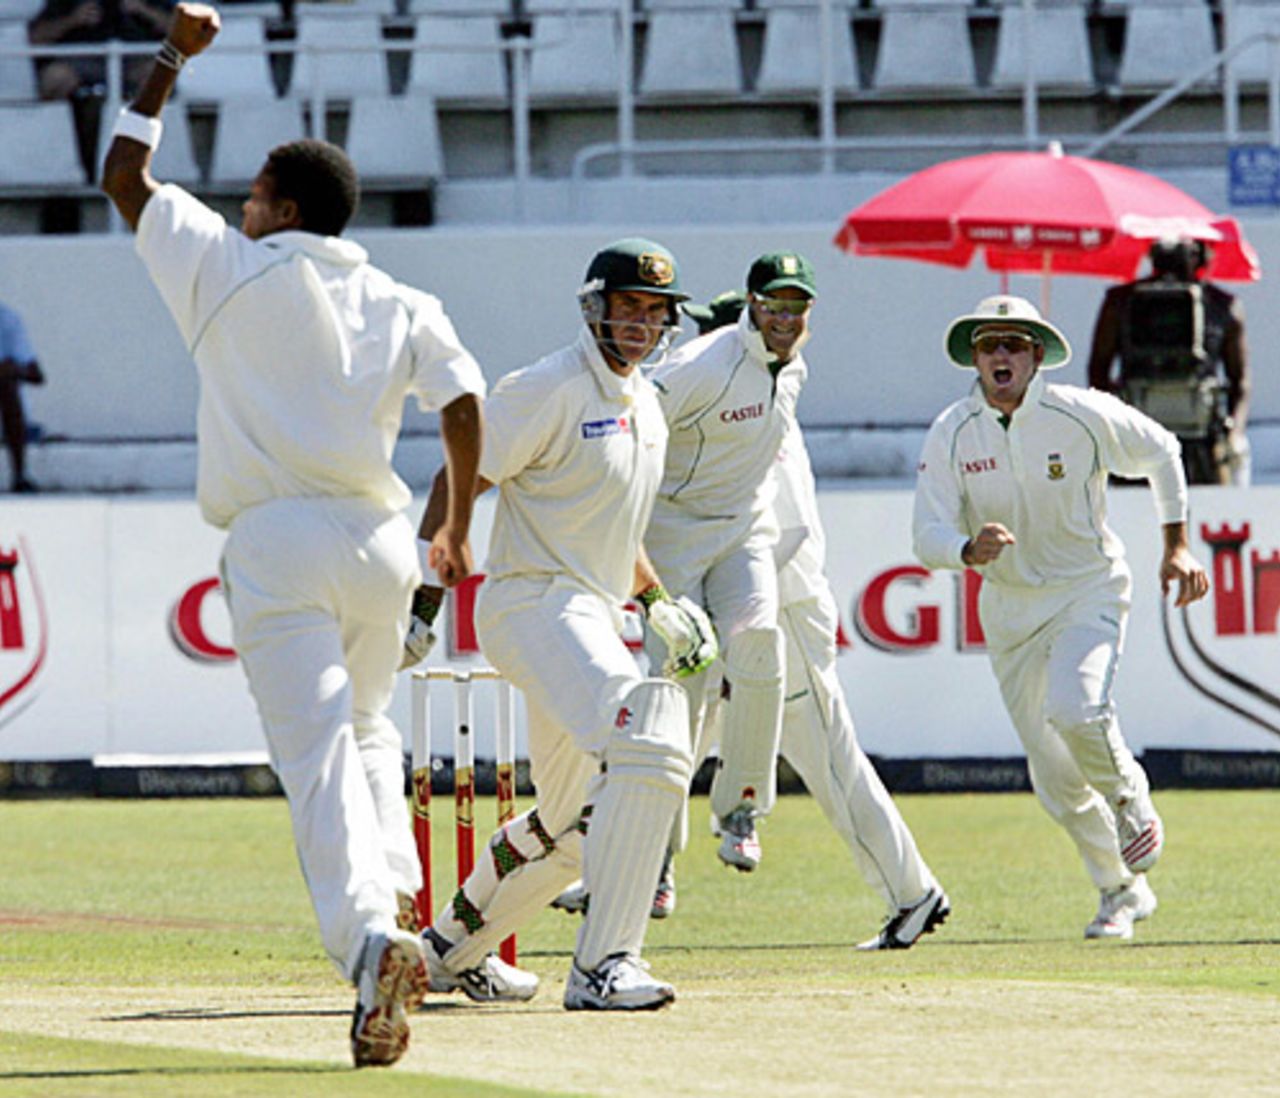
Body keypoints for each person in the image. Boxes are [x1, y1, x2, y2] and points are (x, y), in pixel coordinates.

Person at [100, 3, 488, 1067]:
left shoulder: (224, 266)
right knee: (368, 728)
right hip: (380, 541)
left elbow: (124, 175)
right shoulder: (399, 297)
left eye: (254, 196)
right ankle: (397, 895)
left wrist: (170, 57)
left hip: (277, 539)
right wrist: (454, 523)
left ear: (283, 210)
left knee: (317, 755)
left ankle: (369, 942)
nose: (240, 206)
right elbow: (464, 401)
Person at [413, 238, 715, 1012]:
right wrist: (425, 595)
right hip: (532, 602)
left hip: (592, 614)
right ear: (595, 309)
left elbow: (612, 527)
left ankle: (448, 952)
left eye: (656, 312)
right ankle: (605, 966)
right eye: (628, 307)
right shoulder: (546, 388)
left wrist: (656, 600)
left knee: (572, 825)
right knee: (650, 737)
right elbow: (457, 478)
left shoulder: (647, 403)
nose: (641, 324)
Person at [913, 294, 1210, 941]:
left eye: (1014, 344)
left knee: (1076, 710)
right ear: (974, 358)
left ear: (1036, 356)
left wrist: (1176, 546)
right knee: (1054, 780)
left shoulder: (1080, 413)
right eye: (989, 345)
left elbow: (1163, 451)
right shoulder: (953, 431)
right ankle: (1121, 889)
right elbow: (926, 532)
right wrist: (965, 549)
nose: (1001, 355)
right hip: (1009, 610)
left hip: (1086, 589)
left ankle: (1130, 799)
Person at [640, 252, 811, 875]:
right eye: (773, 304)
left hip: (742, 530)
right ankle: (657, 854)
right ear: (752, 304)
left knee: (760, 644)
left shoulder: (794, 369)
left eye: (796, 305)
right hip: (673, 534)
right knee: (680, 679)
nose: (784, 318)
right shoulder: (702, 363)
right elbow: (633, 427)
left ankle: (740, 809)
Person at [1087, 236, 1250, 486]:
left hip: (1183, 441)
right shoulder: (1223, 305)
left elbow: (1098, 370)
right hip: (1142, 437)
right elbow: (1240, 382)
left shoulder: (1120, 301)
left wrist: (1234, 435)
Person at [29, 0, 175, 101]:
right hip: (82, 59)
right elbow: (35, 37)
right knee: (55, 77)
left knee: (156, 76)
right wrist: (73, 19)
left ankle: (140, 132)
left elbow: (178, 31)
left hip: (133, 60)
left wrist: (143, 10)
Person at [0, 302, 45, 494]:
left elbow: (37, 375)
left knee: (7, 386)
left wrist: (15, 370)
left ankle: (19, 475)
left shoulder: (7, 320)